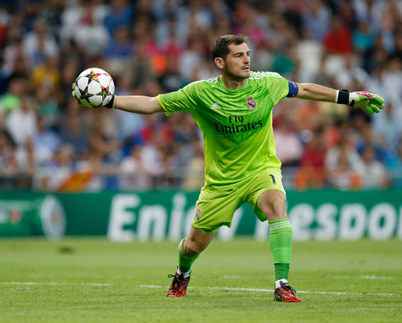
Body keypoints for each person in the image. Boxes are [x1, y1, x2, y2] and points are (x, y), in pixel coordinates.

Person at [72, 35, 384, 302]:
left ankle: (282, 284)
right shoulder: (200, 93)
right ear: (220, 62)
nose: (247, 60)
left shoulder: (268, 84)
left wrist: (351, 97)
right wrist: (110, 101)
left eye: (248, 54)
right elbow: (153, 104)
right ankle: (182, 273)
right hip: (220, 182)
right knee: (193, 245)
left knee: (277, 204)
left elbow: (304, 90)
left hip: (261, 170)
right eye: (238, 55)